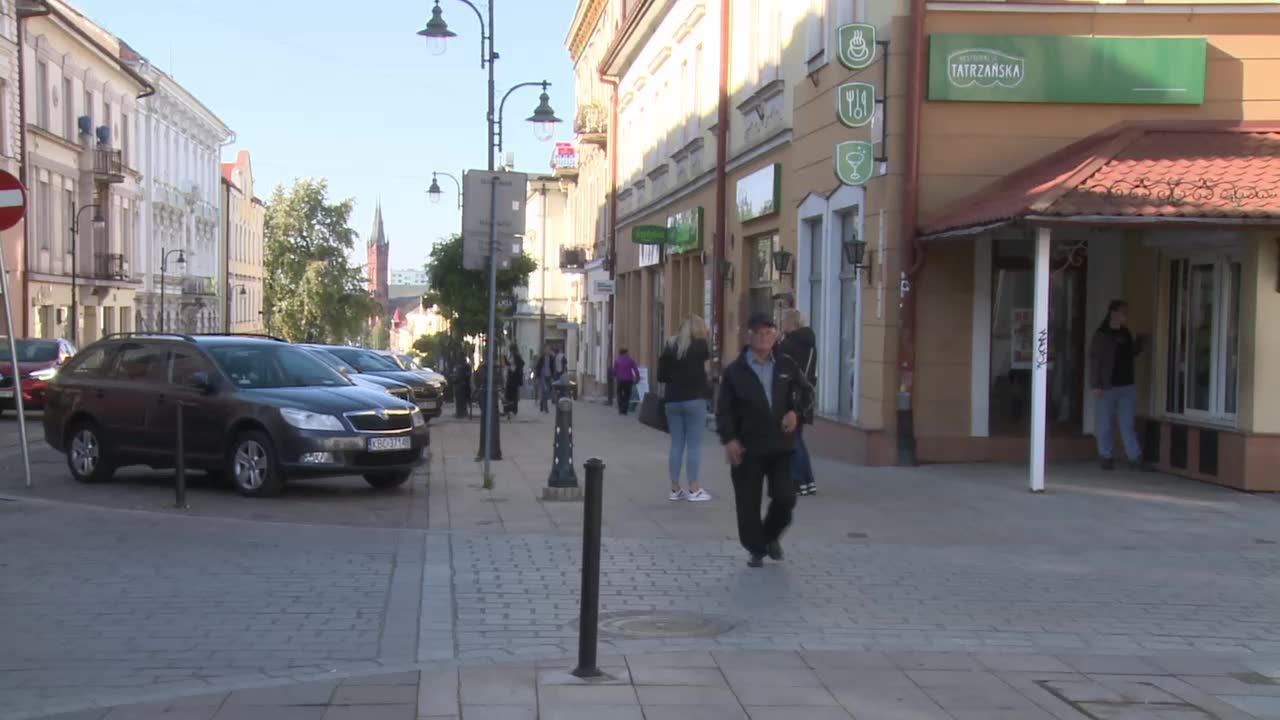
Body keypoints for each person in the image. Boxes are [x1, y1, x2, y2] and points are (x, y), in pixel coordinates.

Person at [717, 312, 814, 568]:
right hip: (747, 448)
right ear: (749, 336)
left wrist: (796, 412)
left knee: (786, 498)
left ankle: (769, 537)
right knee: (747, 505)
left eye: (768, 332)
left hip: (781, 446)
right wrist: (730, 440)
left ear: (776, 335)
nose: (764, 337)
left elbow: (806, 393)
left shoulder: (786, 364)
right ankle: (756, 548)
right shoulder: (735, 371)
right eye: (758, 333)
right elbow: (724, 410)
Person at [658, 316, 713, 502]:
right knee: (694, 445)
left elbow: (661, 376)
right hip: (694, 400)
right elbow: (706, 369)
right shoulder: (700, 346)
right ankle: (694, 488)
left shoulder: (669, 347)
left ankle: (674, 489)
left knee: (676, 444)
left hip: (672, 400)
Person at [1089, 299, 1149, 471]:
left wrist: (1139, 344)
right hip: (1107, 386)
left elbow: (1129, 354)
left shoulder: (1125, 332)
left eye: (1126, 312)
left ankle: (1134, 458)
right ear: (1113, 313)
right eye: (1123, 312)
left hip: (1127, 385)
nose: (1126, 316)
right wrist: (1096, 384)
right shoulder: (1102, 334)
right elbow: (1095, 359)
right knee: (1105, 423)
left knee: (1127, 423)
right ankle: (1105, 456)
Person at [777, 309, 818, 496]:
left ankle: (799, 481)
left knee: (792, 439)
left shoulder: (788, 345)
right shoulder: (810, 344)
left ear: (789, 323)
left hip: (791, 396)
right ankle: (808, 481)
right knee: (797, 437)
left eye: (782, 321)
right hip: (805, 394)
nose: (780, 324)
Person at [612, 348, 640, 416]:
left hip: (620, 380)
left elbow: (614, 371)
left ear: (620, 353)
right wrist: (637, 377)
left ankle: (621, 409)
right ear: (626, 353)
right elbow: (635, 369)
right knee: (627, 395)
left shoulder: (617, 361)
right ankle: (625, 410)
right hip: (628, 380)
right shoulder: (630, 360)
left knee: (619, 394)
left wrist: (615, 375)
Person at [535, 343, 557, 413]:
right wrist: (537, 377)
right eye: (546, 349)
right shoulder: (542, 357)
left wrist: (554, 375)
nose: (547, 350)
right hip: (543, 376)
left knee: (547, 392)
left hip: (549, 376)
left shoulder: (551, 357)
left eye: (548, 349)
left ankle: (542, 403)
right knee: (545, 390)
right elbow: (538, 367)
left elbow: (553, 367)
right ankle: (546, 408)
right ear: (544, 350)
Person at [504, 344, 524, 418]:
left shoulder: (516, 356)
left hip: (513, 377)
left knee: (512, 394)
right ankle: (510, 409)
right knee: (510, 394)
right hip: (511, 376)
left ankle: (511, 409)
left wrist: (513, 365)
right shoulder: (512, 355)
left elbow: (520, 363)